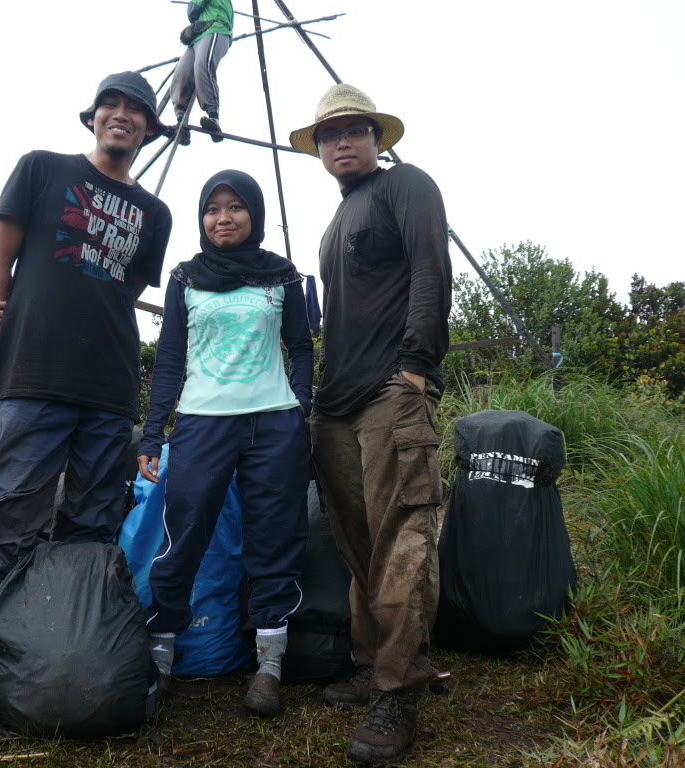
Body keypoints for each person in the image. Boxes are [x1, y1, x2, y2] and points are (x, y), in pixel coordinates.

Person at [0, 71, 173, 744]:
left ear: (150, 129)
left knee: (94, 523)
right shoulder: (42, 169)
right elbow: (0, 259)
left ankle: (78, 672)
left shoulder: (153, 215)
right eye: (112, 105)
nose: (122, 116)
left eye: (136, 110)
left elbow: (123, 290)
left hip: (108, 386)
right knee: (9, 517)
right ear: (94, 117)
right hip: (33, 374)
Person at [288, 84, 453, 765]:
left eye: (355, 130)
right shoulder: (337, 221)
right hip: (337, 402)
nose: (342, 142)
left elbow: (430, 268)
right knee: (358, 546)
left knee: (403, 538)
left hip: (392, 392)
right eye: (329, 135)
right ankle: (371, 664)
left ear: (377, 140)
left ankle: (399, 688)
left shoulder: (405, 186)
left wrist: (415, 366)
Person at [138, 169, 312, 717]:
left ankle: (268, 668)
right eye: (213, 209)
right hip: (201, 422)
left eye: (236, 207)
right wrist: (152, 430)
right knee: (183, 536)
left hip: (274, 424)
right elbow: (168, 360)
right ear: (202, 219)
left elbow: (302, 347)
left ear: (254, 215)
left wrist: (302, 405)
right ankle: (161, 660)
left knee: (273, 540)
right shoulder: (186, 277)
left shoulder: (282, 276)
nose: (224, 218)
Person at [170, 0, 233, 145]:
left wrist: (193, 8)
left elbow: (193, 10)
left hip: (216, 28)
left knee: (202, 65)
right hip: (197, 37)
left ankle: (213, 117)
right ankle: (181, 124)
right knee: (181, 74)